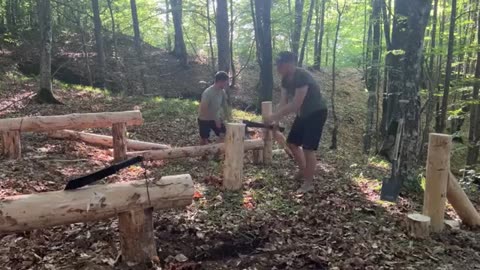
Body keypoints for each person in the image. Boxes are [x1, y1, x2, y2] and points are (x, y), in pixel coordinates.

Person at [264, 51, 328, 193]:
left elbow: (296, 104)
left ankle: (308, 183)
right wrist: (276, 122)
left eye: (279, 65)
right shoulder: (285, 79)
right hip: (303, 114)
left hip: (317, 113)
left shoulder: (302, 76)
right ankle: (303, 170)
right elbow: (283, 102)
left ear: (288, 64)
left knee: (308, 148)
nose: (277, 68)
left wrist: (274, 116)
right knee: (292, 143)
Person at [198, 71, 231, 145]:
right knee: (204, 139)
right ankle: (204, 154)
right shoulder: (207, 93)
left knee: (224, 134)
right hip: (204, 119)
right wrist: (216, 120)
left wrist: (228, 118)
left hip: (215, 118)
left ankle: (216, 152)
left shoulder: (222, 92)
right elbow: (204, 109)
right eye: (225, 83)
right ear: (220, 81)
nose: (226, 85)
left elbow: (225, 105)